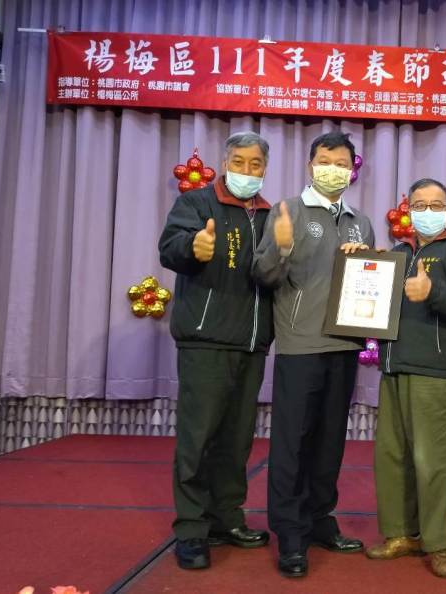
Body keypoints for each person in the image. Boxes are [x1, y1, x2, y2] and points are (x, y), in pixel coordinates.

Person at [252, 131, 375, 578]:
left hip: (345, 344)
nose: (333, 170)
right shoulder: (288, 210)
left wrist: (369, 262)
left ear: (352, 170)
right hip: (300, 344)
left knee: (329, 442)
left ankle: (321, 519)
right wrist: (282, 246)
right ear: (310, 165)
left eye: (342, 163)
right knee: (292, 443)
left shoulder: (361, 221)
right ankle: (290, 534)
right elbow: (263, 275)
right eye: (325, 161)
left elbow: (371, 279)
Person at [158, 131, 275, 570]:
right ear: (225, 163)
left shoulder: (269, 214)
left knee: (237, 438)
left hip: (252, 342)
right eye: (239, 162)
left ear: (265, 169)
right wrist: (192, 246)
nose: (247, 171)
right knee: (198, 438)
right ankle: (191, 529)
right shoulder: (196, 203)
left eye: (255, 164)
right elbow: (169, 248)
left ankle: (227, 517)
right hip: (205, 340)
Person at [365, 179, 446, 578]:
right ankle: (401, 533)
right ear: (408, 210)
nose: (427, 212)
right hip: (394, 365)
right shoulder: (399, 253)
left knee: (433, 461)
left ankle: (439, 542)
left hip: (436, 369)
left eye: (436, 205)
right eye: (419, 205)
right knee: (392, 456)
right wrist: (362, 264)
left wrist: (433, 290)